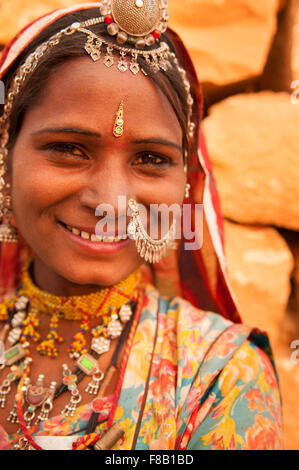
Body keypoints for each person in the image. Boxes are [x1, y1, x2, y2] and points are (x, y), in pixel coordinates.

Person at [0, 1, 283, 450]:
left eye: (151, 160)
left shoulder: (220, 376)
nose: (110, 201)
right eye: (69, 149)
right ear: (6, 159)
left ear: (185, 185)